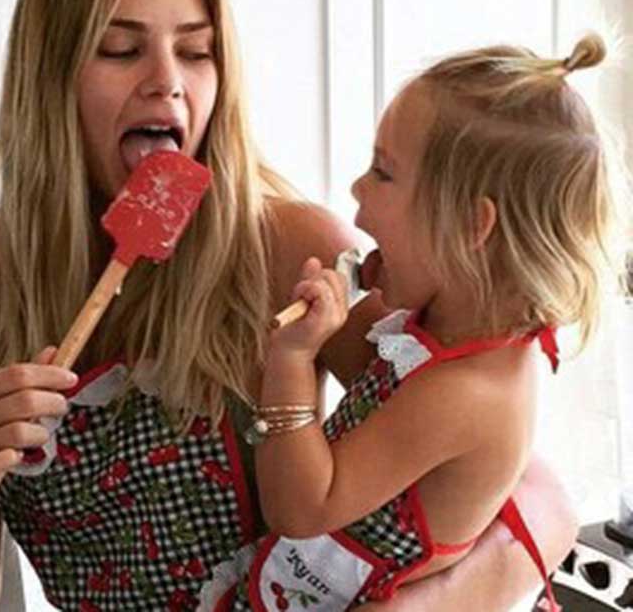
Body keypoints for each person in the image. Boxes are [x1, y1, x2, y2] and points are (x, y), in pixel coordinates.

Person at [0, 0, 579, 611]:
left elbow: (536, 493)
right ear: (51, 75)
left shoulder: (293, 251)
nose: (168, 80)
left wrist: (421, 608)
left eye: (196, 51)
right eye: (121, 48)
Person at [206, 34, 630, 611]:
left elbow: (301, 509)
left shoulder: (466, 392)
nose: (357, 187)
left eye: (382, 172)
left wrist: (291, 361)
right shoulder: (448, 335)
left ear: (470, 225)